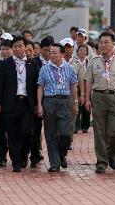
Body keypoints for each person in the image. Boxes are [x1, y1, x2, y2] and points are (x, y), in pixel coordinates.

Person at [84, 32, 115, 174]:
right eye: (101, 42)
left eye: (106, 42)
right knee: (99, 131)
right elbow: (88, 81)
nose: (103, 45)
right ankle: (102, 162)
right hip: (98, 97)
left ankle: (112, 155)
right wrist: (87, 99)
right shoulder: (94, 61)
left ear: (112, 44)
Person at [0, 36, 39, 172]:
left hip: (27, 103)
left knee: (26, 133)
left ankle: (24, 154)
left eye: (20, 46)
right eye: (15, 46)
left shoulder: (32, 63)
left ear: (25, 47)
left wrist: (37, 103)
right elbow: (0, 84)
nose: (18, 49)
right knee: (11, 134)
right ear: (12, 48)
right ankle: (16, 162)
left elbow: (37, 85)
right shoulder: (5, 64)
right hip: (9, 103)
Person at [37, 43, 78, 172]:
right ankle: (54, 163)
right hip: (49, 101)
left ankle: (62, 154)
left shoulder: (69, 68)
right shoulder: (44, 69)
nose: (52, 55)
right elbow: (40, 87)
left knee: (65, 134)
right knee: (51, 134)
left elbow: (73, 86)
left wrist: (75, 102)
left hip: (65, 101)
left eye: (55, 52)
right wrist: (39, 105)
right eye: (51, 52)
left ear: (62, 54)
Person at [30, 37, 52, 168]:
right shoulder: (34, 62)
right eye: (45, 50)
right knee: (35, 130)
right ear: (41, 50)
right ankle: (34, 155)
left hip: (52, 100)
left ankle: (56, 156)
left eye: (50, 50)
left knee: (52, 130)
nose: (48, 53)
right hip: (37, 100)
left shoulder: (56, 61)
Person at [72, 44, 90, 134]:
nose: (83, 52)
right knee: (77, 105)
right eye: (81, 50)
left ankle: (85, 126)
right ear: (77, 52)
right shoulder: (74, 62)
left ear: (87, 52)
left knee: (86, 106)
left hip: (87, 86)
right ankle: (76, 126)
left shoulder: (89, 63)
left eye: (84, 50)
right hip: (76, 87)